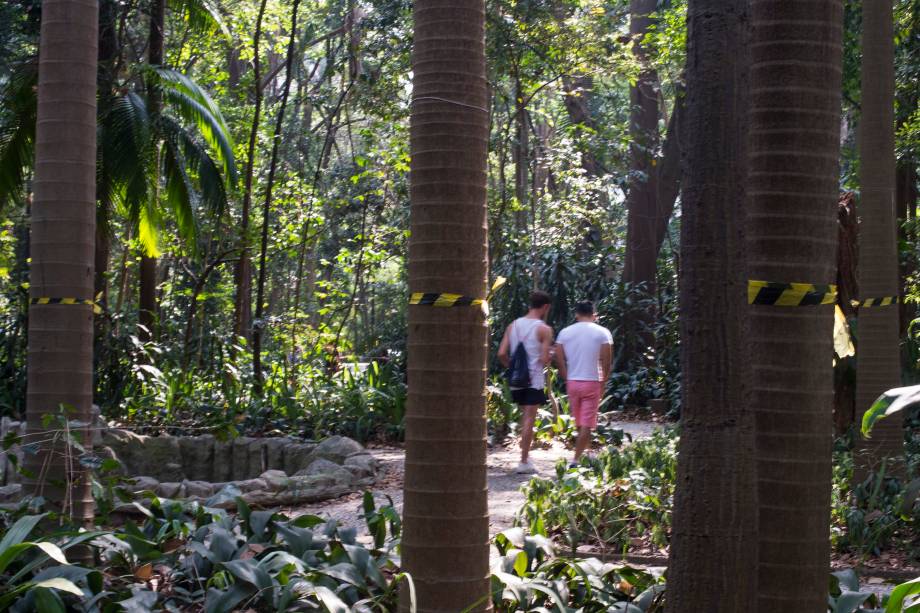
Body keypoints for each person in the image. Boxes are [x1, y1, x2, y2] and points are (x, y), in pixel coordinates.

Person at [498, 290, 554, 474]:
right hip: (533, 379)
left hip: (516, 380)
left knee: (525, 417)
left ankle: (526, 456)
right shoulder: (544, 329)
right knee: (529, 418)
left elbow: (501, 353)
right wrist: (551, 354)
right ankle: (523, 460)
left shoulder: (513, 325)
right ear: (545, 307)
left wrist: (513, 368)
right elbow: (545, 358)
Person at [554, 301, 612, 465]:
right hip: (592, 381)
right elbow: (607, 361)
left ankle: (584, 453)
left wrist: (566, 376)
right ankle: (576, 459)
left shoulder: (565, 333)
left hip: (573, 381)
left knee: (579, 421)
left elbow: (558, 358)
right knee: (587, 422)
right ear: (594, 314)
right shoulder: (603, 333)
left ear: (576, 314)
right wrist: (603, 381)